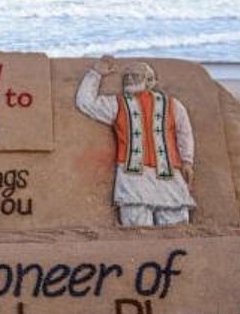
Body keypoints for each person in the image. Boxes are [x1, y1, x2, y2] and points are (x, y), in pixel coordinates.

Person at [75, 55, 196, 227]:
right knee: (136, 225)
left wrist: (187, 160)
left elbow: (184, 132)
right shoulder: (117, 104)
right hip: (133, 176)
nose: (130, 78)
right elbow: (85, 102)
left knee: (175, 222)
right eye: (127, 76)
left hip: (168, 175)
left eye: (136, 75)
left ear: (149, 80)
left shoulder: (172, 105)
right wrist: (95, 74)